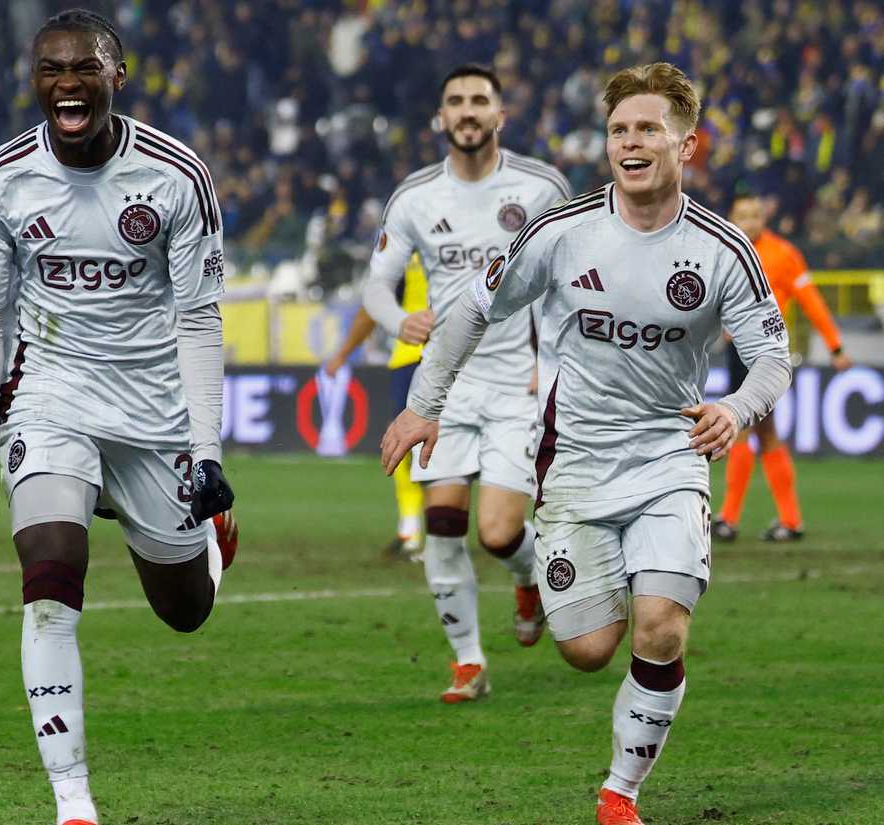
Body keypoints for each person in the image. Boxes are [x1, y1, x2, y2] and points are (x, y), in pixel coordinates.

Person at [380, 62, 791, 825]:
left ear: (686, 146)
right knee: (588, 647)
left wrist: (738, 408)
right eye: (619, 130)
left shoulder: (721, 249)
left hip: (670, 460)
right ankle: (544, 587)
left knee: (662, 627)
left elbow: (772, 352)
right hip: (573, 465)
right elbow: (471, 309)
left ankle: (619, 794)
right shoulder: (561, 233)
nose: (630, 143)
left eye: (648, 130)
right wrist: (422, 405)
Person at [0, 10, 236, 825]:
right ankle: (74, 801)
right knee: (48, 574)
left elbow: (198, 318)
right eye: (50, 69)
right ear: (35, 82)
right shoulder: (0, 181)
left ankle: (206, 541)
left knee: (185, 611)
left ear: (117, 74)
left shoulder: (177, 177)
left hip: (155, 412)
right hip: (52, 392)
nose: (66, 82)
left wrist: (208, 454)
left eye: (84, 67)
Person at [362, 64, 572, 702]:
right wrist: (403, 320)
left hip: (518, 384)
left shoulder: (541, 189)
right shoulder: (416, 198)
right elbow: (375, 284)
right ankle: (468, 662)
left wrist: (556, 365)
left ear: (500, 115)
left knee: (499, 531)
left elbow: (572, 280)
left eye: (479, 100)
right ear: (441, 117)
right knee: (443, 521)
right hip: (443, 385)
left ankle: (528, 575)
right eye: (455, 101)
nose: (467, 110)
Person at [713, 193, 853, 542]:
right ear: (732, 217)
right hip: (735, 353)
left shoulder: (783, 254)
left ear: (765, 219)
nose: (749, 221)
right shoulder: (721, 249)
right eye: (742, 215)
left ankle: (730, 519)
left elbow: (811, 301)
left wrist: (835, 346)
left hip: (765, 354)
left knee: (745, 429)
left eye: (755, 214)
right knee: (763, 433)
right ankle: (788, 520)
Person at [320, 256, 431, 561]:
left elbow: (373, 307)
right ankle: (414, 531)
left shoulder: (406, 247)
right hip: (443, 356)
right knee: (424, 448)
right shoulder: (473, 234)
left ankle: (424, 532)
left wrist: (342, 353)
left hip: (415, 357)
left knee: (410, 446)